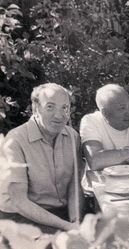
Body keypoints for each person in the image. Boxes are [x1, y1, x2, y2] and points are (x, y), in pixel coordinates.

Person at [0, 83, 82, 233]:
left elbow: (74, 185)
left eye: (65, 108)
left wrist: (75, 220)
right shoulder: (15, 141)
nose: (59, 115)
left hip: (60, 213)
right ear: (35, 108)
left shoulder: (72, 136)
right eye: (50, 107)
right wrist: (67, 227)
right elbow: (20, 202)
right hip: (21, 217)